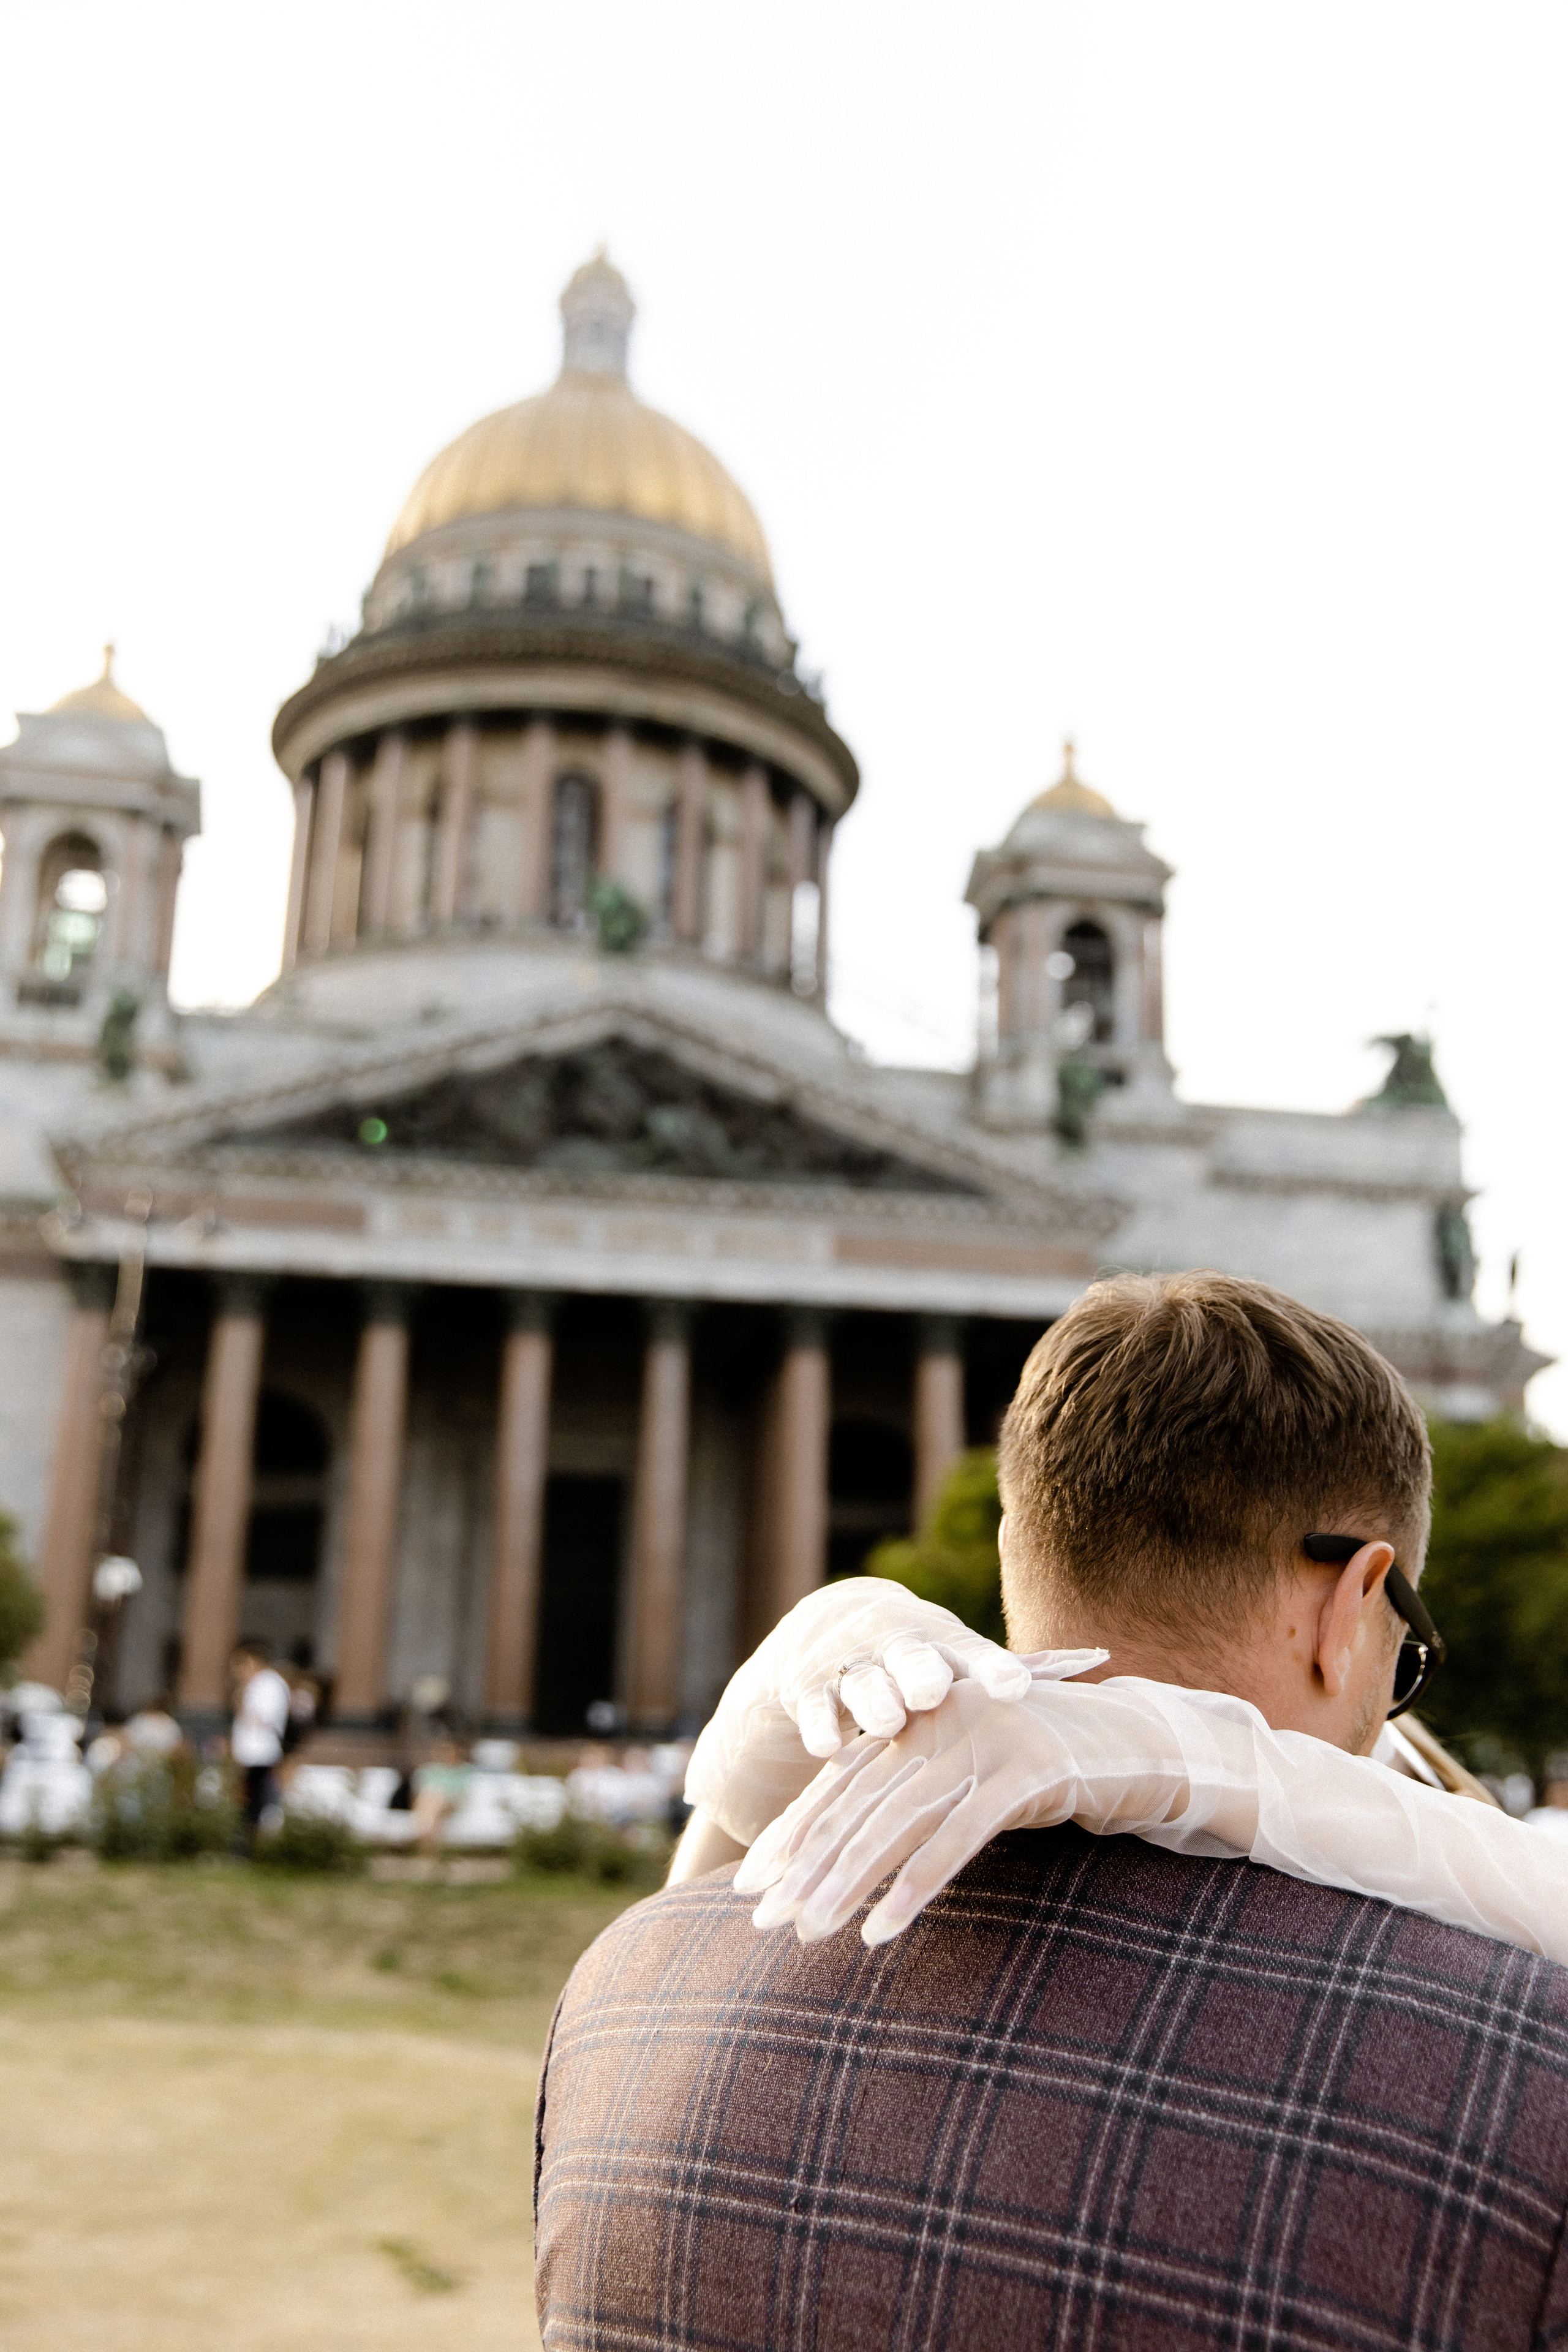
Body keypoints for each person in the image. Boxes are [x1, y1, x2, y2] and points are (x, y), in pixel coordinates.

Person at [535, 1273, 1568, 2350]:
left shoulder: (620, 1999)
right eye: (1407, 1663)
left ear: (1012, 1552)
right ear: (1352, 1604)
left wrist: (729, 1810)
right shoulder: (1521, 2084)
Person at [228, 1643, 290, 1839]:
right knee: (247, 1802)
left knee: (255, 1803)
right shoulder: (255, 1684)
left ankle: (250, 1842)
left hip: (260, 1753)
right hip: (248, 1753)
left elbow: (265, 1719)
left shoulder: (270, 1684)